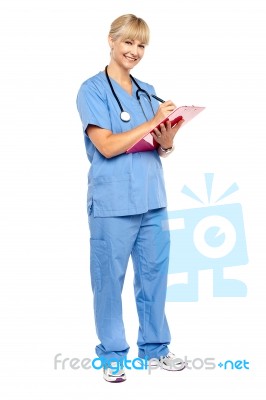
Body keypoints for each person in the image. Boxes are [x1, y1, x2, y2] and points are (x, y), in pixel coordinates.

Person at [76, 14, 185, 383]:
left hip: (152, 200)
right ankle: (112, 354)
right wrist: (152, 122)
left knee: (154, 278)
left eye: (141, 45)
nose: (135, 51)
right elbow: (106, 146)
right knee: (109, 281)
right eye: (128, 42)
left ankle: (155, 349)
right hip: (113, 204)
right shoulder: (91, 90)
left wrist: (166, 140)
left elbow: (153, 145)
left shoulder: (146, 90)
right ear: (111, 41)